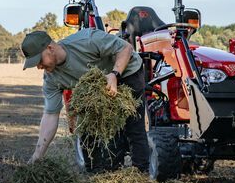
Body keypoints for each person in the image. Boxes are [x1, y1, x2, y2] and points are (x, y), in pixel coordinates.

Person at [22, 28, 150, 172]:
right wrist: (37, 155)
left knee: (132, 126)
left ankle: (141, 174)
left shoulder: (87, 40)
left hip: (126, 71)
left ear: (50, 48)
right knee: (86, 127)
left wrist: (114, 74)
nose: (39, 67)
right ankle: (97, 176)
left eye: (39, 61)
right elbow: (51, 115)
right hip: (97, 87)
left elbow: (126, 47)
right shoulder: (51, 79)